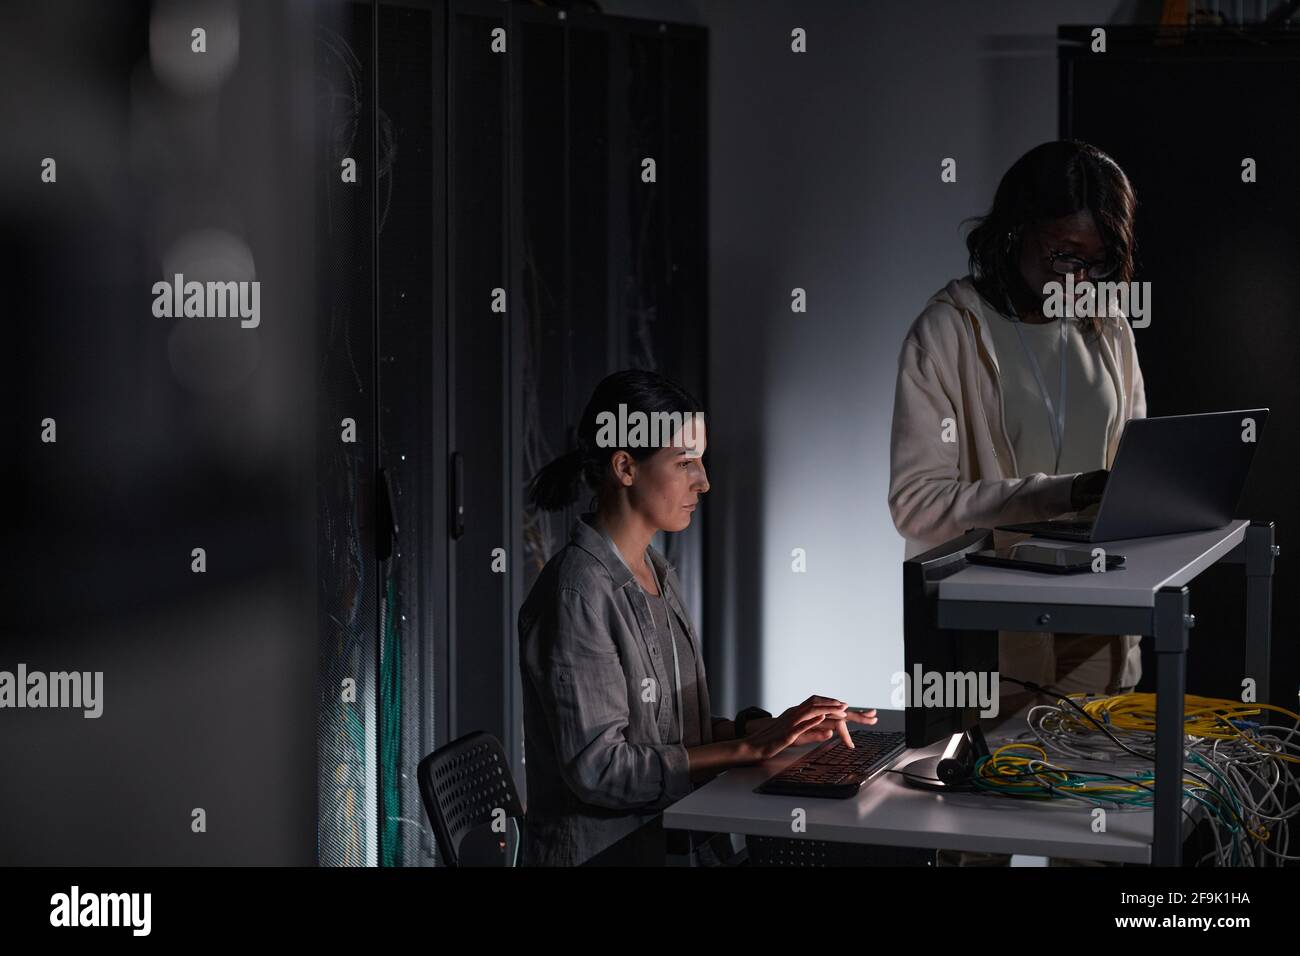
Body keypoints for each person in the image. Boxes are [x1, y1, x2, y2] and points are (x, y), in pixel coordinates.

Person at [518, 368, 877, 866]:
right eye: (685, 461)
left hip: (672, 842)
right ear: (625, 466)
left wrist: (775, 730)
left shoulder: (656, 571)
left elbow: (663, 731)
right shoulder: (577, 593)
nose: (703, 481)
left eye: (701, 461)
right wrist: (748, 753)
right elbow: (601, 771)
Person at [888, 139, 1148, 731]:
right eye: (1063, 254)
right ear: (1015, 230)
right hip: (989, 642)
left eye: (1098, 261)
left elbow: (1134, 471)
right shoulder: (948, 331)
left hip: (1099, 625)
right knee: (986, 810)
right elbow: (916, 506)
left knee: (1091, 809)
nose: (1079, 276)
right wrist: (1066, 492)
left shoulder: (1108, 329)